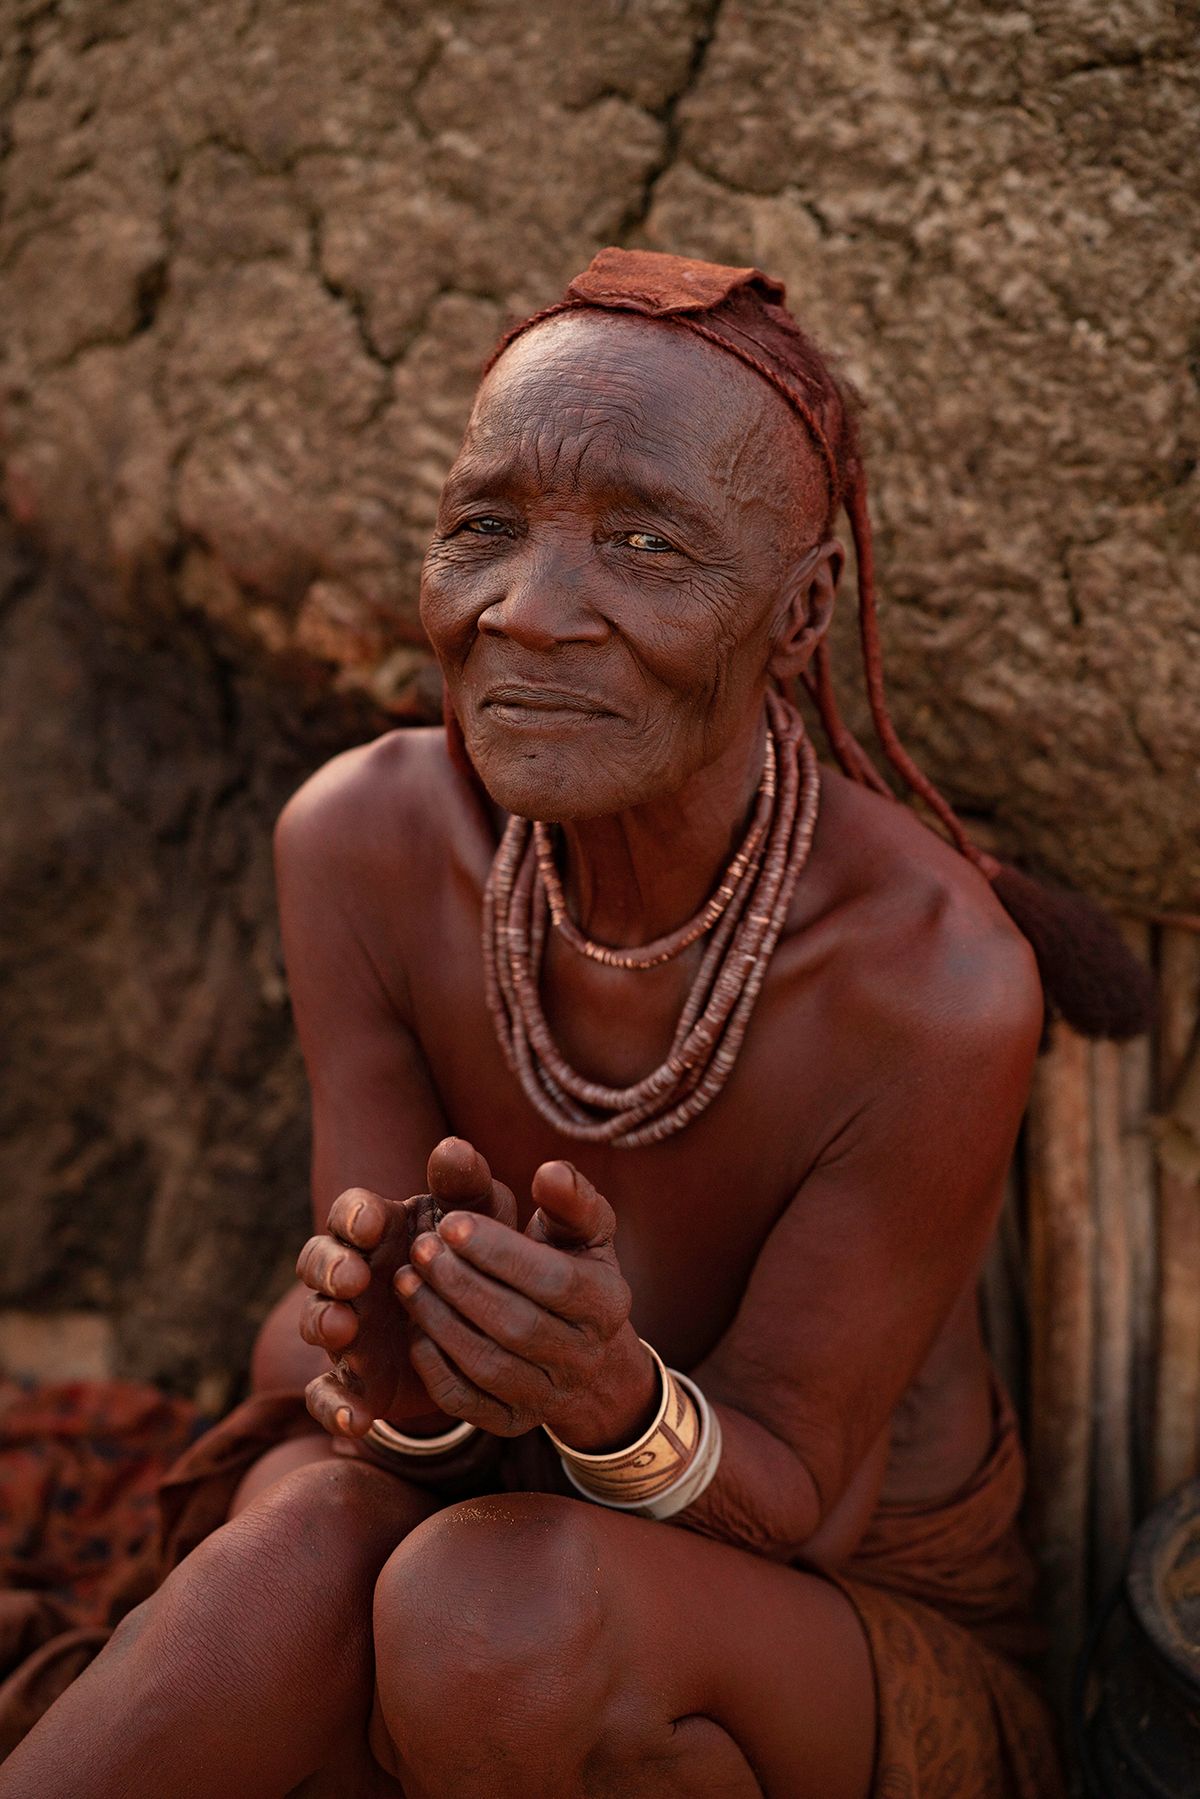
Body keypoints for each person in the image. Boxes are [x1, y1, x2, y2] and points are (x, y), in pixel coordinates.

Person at [2, 247, 1149, 1797]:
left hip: (818, 1617)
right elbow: (349, 1369)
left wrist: (609, 1403)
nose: (532, 615)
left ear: (800, 615)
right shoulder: (364, 846)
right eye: (484, 528)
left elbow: (804, 1491)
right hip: (446, 1502)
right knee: (296, 1562)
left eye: (648, 545)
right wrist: (395, 1380)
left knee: (493, 1616)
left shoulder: (927, 979)